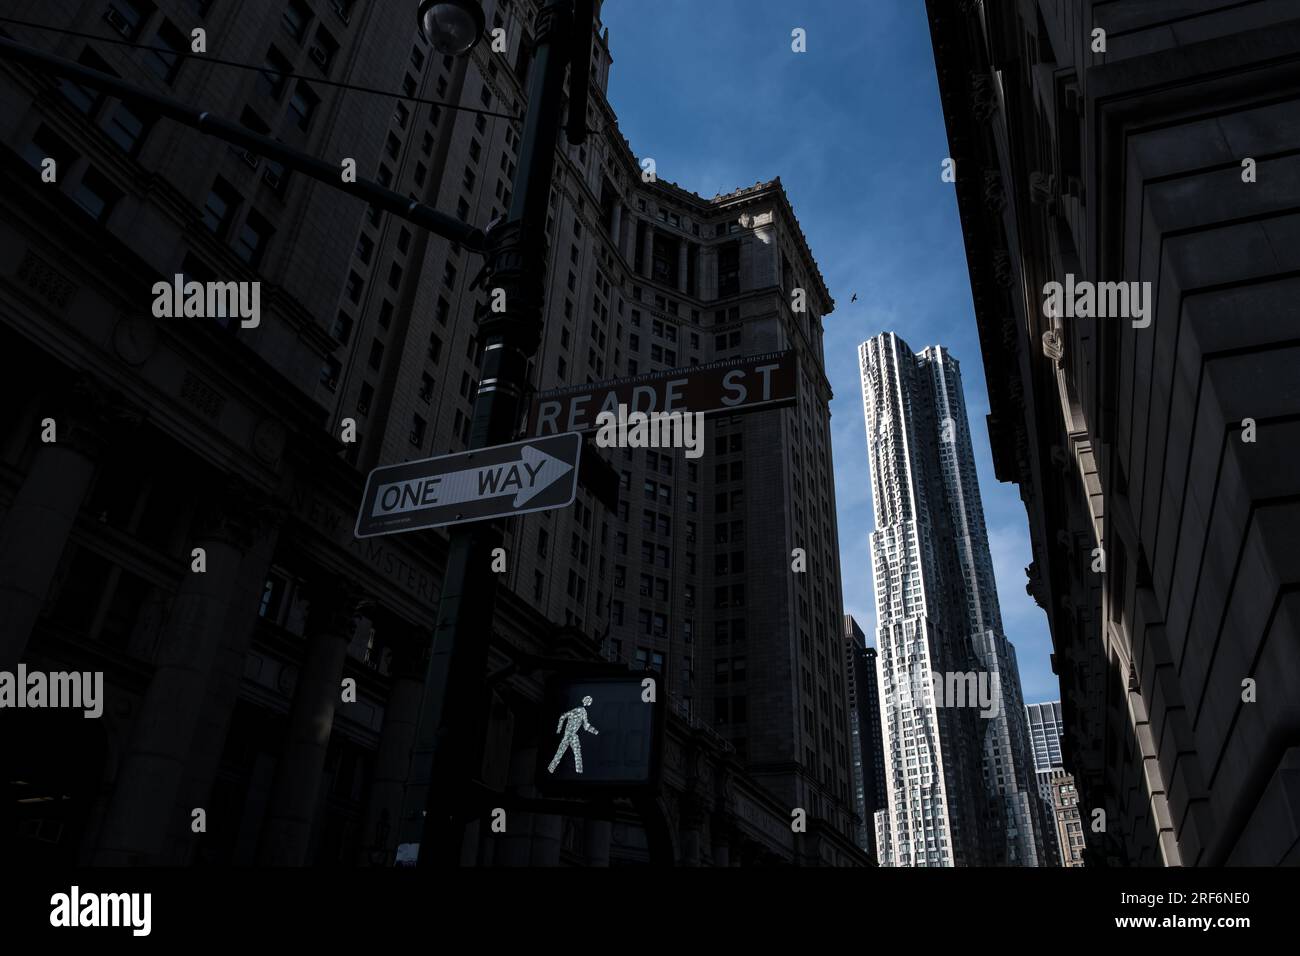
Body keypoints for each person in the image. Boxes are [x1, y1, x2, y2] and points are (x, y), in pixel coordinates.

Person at [547, 695, 599, 773]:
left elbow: (562, 717)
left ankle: (552, 769)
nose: (588, 702)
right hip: (570, 735)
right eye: (588, 701)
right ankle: (578, 771)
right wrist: (595, 732)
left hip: (570, 735)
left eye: (588, 701)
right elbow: (585, 726)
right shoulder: (581, 712)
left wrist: (559, 729)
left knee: (565, 754)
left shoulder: (576, 711)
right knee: (572, 754)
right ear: (588, 703)